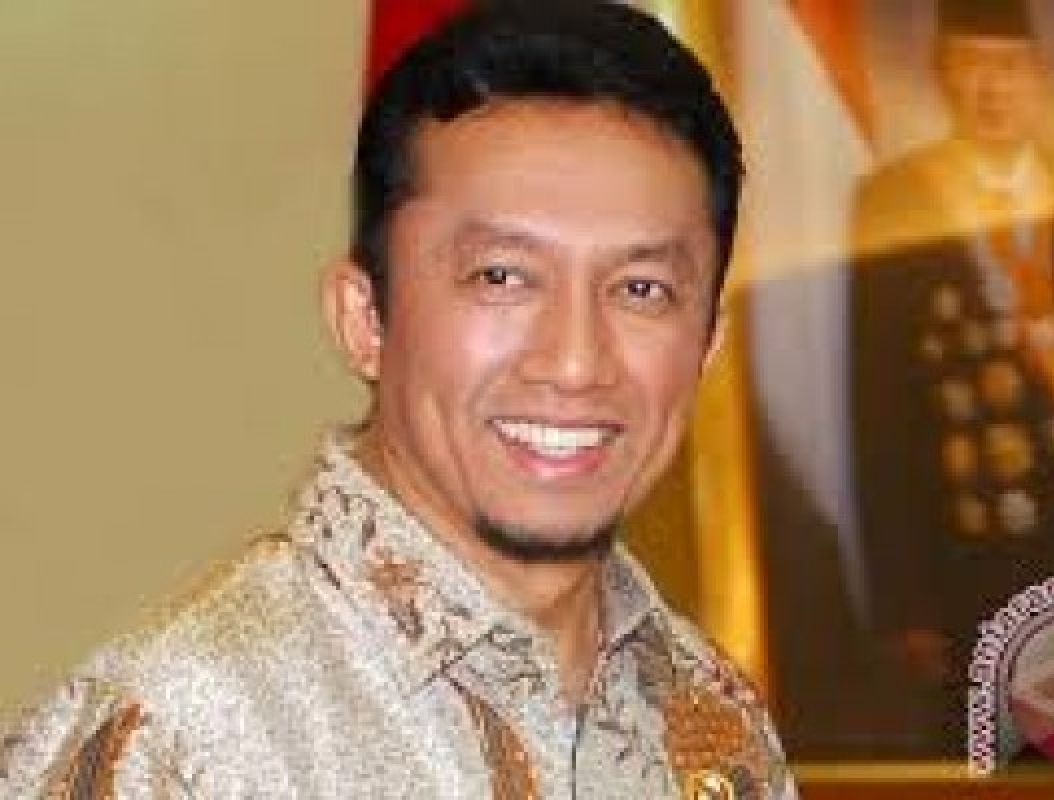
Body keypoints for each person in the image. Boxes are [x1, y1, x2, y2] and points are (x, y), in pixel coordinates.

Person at [0, 2, 798, 797]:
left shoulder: (713, 716)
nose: (575, 362)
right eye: (502, 277)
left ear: (706, 347)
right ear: (365, 320)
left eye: (642, 289)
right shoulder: (184, 735)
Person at [850, 0, 1054, 755]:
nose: (992, 87)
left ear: (1037, 76)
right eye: (972, 64)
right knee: (993, 761)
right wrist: (906, 598)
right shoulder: (895, 201)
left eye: (1009, 66)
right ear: (943, 75)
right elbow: (879, 413)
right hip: (967, 562)